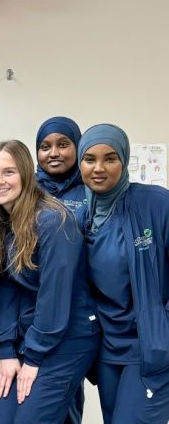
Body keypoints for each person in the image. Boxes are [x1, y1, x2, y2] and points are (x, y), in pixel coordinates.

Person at [0, 141, 98, 424]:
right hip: (29, 337)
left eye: (8, 172)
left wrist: (33, 359)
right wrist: (8, 351)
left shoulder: (53, 221)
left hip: (67, 340)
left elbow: (54, 296)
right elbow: (8, 288)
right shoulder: (3, 221)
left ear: (25, 173)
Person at [78, 124, 169, 423]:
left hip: (150, 346)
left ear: (125, 160)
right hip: (107, 348)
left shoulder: (156, 203)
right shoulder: (81, 216)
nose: (99, 168)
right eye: (90, 159)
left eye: (110, 158)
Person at [34, 116, 86, 424]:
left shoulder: (89, 192)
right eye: (45, 146)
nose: (54, 152)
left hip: (75, 317)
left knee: (66, 403)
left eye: (63, 145)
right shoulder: (28, 191)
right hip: (36, 312)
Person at [35, 116, 86, 215]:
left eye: (63, 145)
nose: (54, 154)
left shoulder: (92, 188)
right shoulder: (26, 188)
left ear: (78, 147)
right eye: (45, 147)